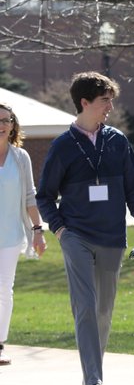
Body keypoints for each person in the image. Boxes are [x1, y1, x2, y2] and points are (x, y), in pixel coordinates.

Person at [36, 72, 134, 385]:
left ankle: (93, 374)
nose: (110, 107)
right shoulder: (62, 146)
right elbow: (45, 195)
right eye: (105, 100)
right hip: (76, 236)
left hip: (112, 236)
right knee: (85, 306)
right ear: (85, 102)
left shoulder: (117, 141)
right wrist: (60, 229)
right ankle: (94, 382)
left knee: (103, 310)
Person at [0, 103, 47, 366]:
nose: (2, 125)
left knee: (4, 290)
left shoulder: (21, 158)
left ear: (12, 124)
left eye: (6, 120)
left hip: (11, 235)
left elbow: (30, 196)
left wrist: (38, 231)